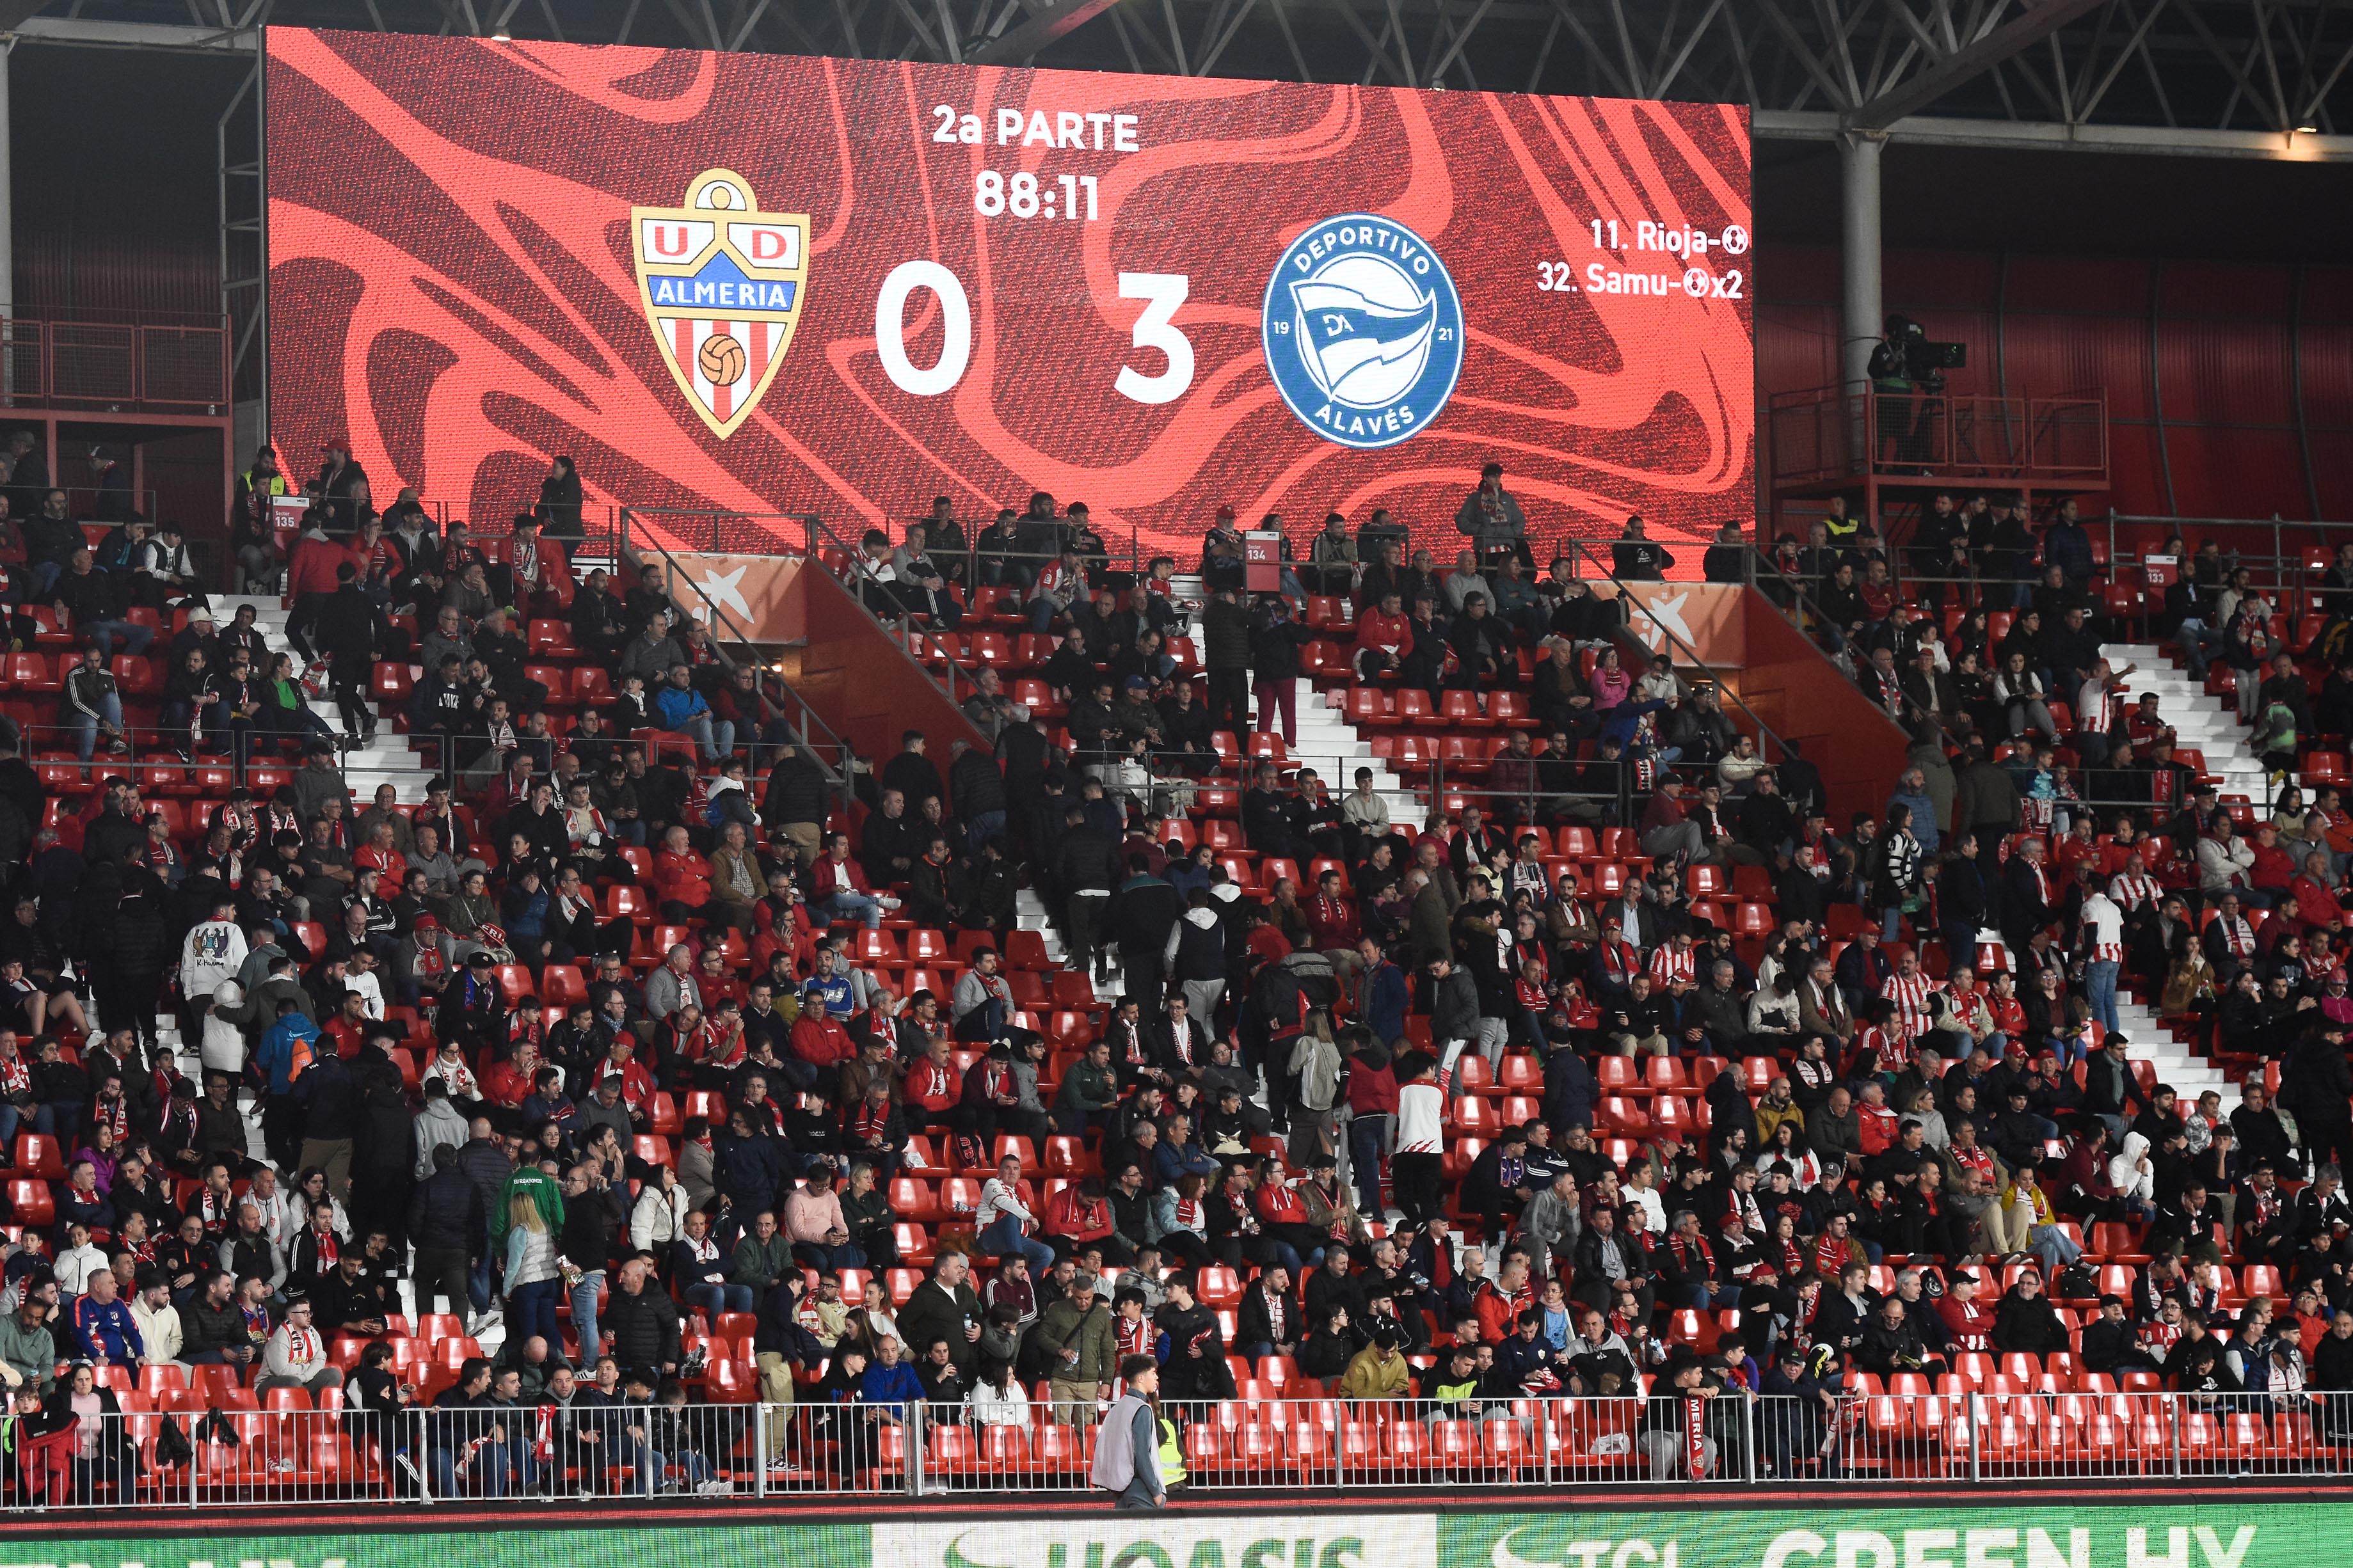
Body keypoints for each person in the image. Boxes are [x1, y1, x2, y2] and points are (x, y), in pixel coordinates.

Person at [1088, 1354, 1168, 1509]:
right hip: (1140, 1487)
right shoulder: (1142, 1408)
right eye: (1153, 1373)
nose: (1157, 1377)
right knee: (1145, 1534)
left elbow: (1099, 1444)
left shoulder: (1116, 1409)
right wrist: (1156, 1491)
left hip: (1120, 1488)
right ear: (1141, 1378)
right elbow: (1142, 1454)